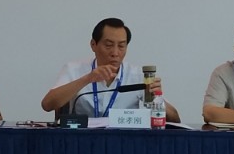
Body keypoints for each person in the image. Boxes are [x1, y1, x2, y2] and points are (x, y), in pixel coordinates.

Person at [41, 17, 181, 122]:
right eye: (108, 45)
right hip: (81, 141)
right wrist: (88, 78)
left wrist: (156, 97)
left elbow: (175, 119)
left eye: (121, 46)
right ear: (93, 45)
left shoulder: (138, 75)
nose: (115, 53)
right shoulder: (73, 69)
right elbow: (47, 105)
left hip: (123, 143)